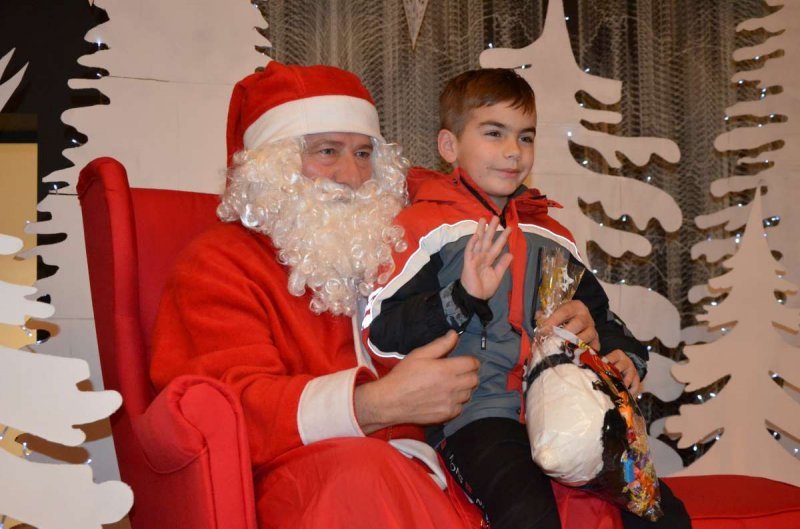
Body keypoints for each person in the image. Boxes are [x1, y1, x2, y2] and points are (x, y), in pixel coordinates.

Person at [149, 61, 613, 529]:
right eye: (327, 151)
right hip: (317, 481)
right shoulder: (219, 262)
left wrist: (574, 330)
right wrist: (376, 404)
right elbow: (221, 410)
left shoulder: (398, 242)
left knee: (585, 490)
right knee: (362, 478)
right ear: (274, 166)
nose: (352, 175)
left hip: (440, 463)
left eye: (364, 153)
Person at [364, 68, 691, 529]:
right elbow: (382, 332)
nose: (513, 151)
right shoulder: (425, 228)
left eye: (526, 137)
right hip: (472, 417)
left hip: (567, 409)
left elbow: (599, 315)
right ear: (449, 146)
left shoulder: (549, 233)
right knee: (527, 513)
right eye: (494, 133)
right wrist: (460, 297)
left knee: (659, 511)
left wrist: (623, 355)